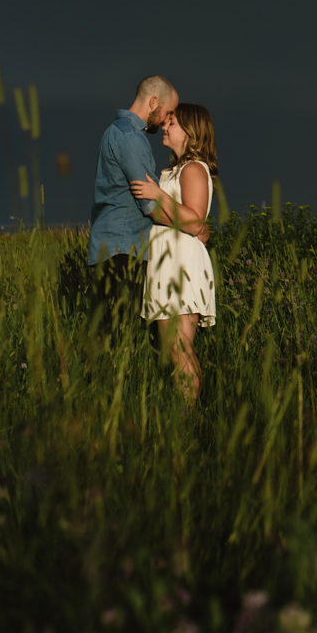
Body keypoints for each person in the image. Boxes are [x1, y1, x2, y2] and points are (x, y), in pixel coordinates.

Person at [130, 102, 219, 402]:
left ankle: (188, 418)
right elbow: (172, 219)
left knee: (179, 348)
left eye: (173, 123)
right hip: (167, 262)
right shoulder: (175, 170)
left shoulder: (193, 169)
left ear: (191, 132)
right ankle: (183, 413)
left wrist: (156, 194)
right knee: (172, 349)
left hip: (181, 264)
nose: (165, 127)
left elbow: (193, 221)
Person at [87, 74, 180, 336]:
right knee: (118, 337)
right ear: (153, 102)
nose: (166, 121)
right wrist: (192, 226)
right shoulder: (131, 139)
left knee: (107, 336)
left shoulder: (114, 132)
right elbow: (151, 207)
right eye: (167, 112)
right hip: (124, 251)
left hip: (110, 248)